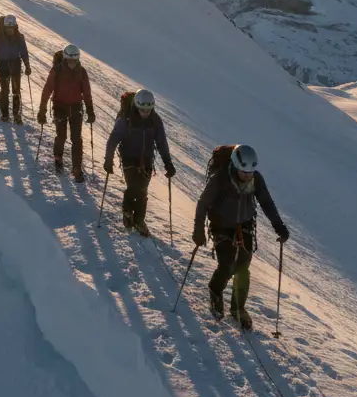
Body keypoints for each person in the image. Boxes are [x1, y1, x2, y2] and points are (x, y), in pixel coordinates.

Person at [192, 144, 289, 329]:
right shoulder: (220, 178)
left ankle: (238, 308)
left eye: (251, 172)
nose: (248, 175)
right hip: (220, 224)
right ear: (236, 166)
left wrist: (279, 226)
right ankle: (215, 290)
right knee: (227, 263)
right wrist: (198, 230)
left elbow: (266, 202)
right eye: (244, 172)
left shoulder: (256, 179)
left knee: (243, 266)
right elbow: (203, 203)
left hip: (244, 224)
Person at [103, 89, 176, 237]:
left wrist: (168, 163)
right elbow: (113, 139)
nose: (145, 112)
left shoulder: (155, 121)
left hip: (147, 159)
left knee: (142, 190)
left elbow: (162, 142)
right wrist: (108, 160)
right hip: (128, 157)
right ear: (136, 106)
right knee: (134, 186)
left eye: (148, 109)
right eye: (142, 109)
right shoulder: (126, 119)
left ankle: (138, 219)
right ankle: (129, 212)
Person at [37, 44, 95, 182]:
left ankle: (76, 168)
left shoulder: (82, 72)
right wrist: (42, 110)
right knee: (61, 136)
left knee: (76, 139)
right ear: (65, 58)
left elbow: (86, 93)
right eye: (70, 60)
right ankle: (58, 157)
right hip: (60, 107)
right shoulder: (57, 70)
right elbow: (47, 89)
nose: (72, 63)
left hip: (75, 108)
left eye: (74, 60)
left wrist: (90, 110)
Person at [0, 15, 31, 124]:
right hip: (3, 66)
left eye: (11, 27)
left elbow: (24, 52)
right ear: (5, 27)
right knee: (4, 91)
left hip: (15, 65)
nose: (10, 30)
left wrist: (27, 65)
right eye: (8, 28)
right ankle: (5, 114)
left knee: (16, 91)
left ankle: (16, 115)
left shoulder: (19, 37)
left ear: (15, 26)